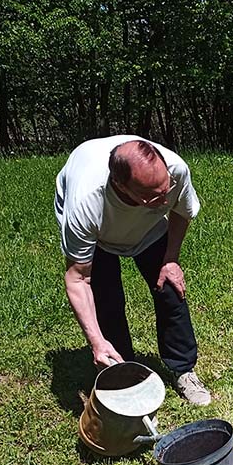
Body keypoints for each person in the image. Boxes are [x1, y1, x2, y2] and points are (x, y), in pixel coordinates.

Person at [54, 136, 211, 405]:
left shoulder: (175, 170)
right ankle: (122, 372)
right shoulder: (85, 201)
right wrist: (96, 341)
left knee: (170, 290)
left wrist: (171, 259)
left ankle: (183, 370)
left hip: (148, 229)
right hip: (99, 236)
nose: (164, 199)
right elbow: (78, 278)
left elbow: (182, 211)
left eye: (166, 189)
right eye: (153, 195)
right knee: (108, 301)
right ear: (120, 185)